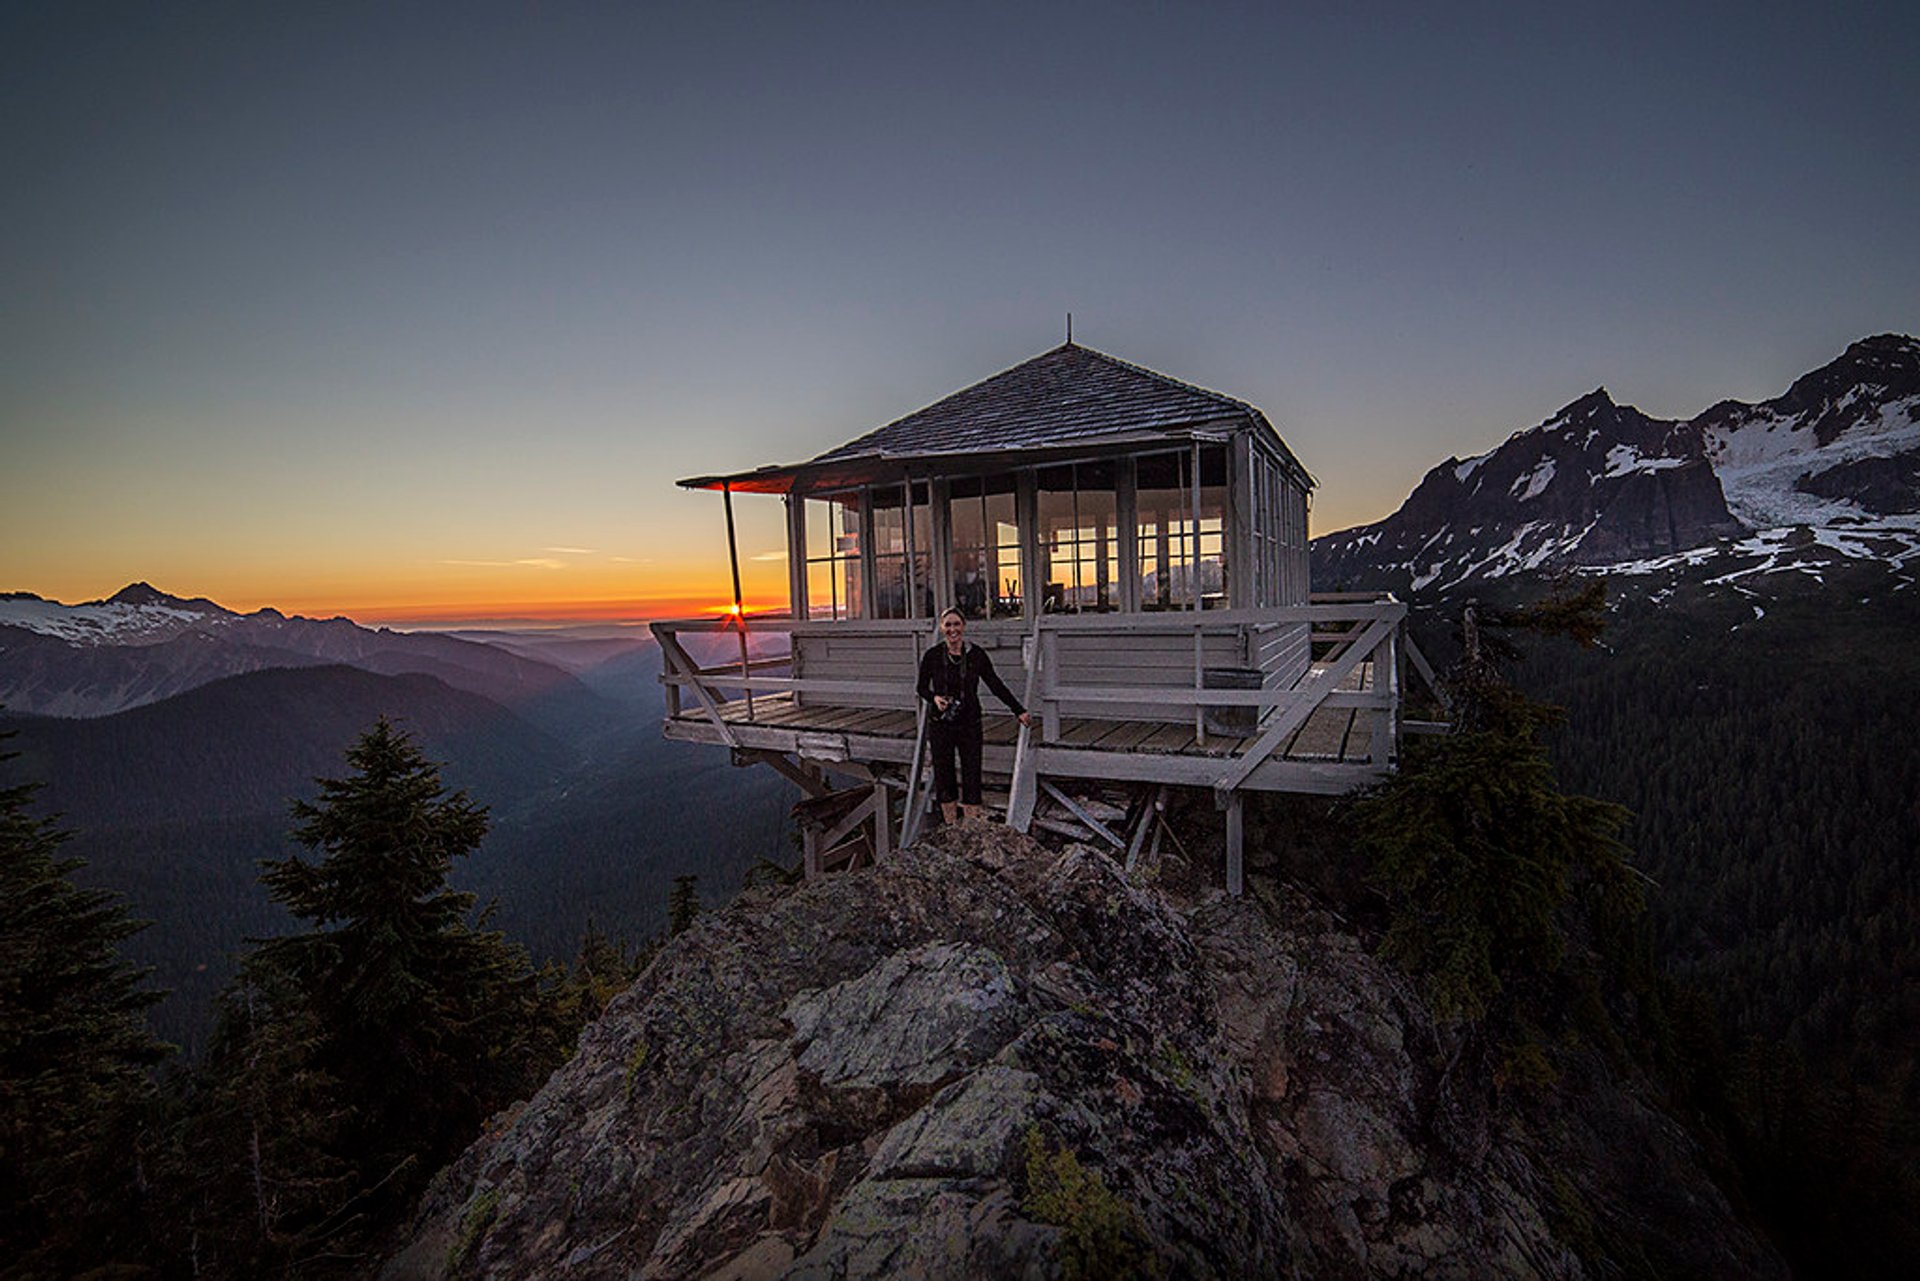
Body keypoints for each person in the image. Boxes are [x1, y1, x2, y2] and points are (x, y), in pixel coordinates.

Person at [916, 608, 1030, 826]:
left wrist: (1018, 710)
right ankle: (951, 825)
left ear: (964, 626)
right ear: (942, 628)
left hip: (969, 722)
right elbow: (921, 687)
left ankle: (971, 827)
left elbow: (996, 685)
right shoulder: (932, 656)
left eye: (956, 624)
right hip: (941, 723)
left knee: (972, 772)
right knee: (944, 774)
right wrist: (935, 698)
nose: (952, 630)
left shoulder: (976, 655)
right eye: (948, 625)